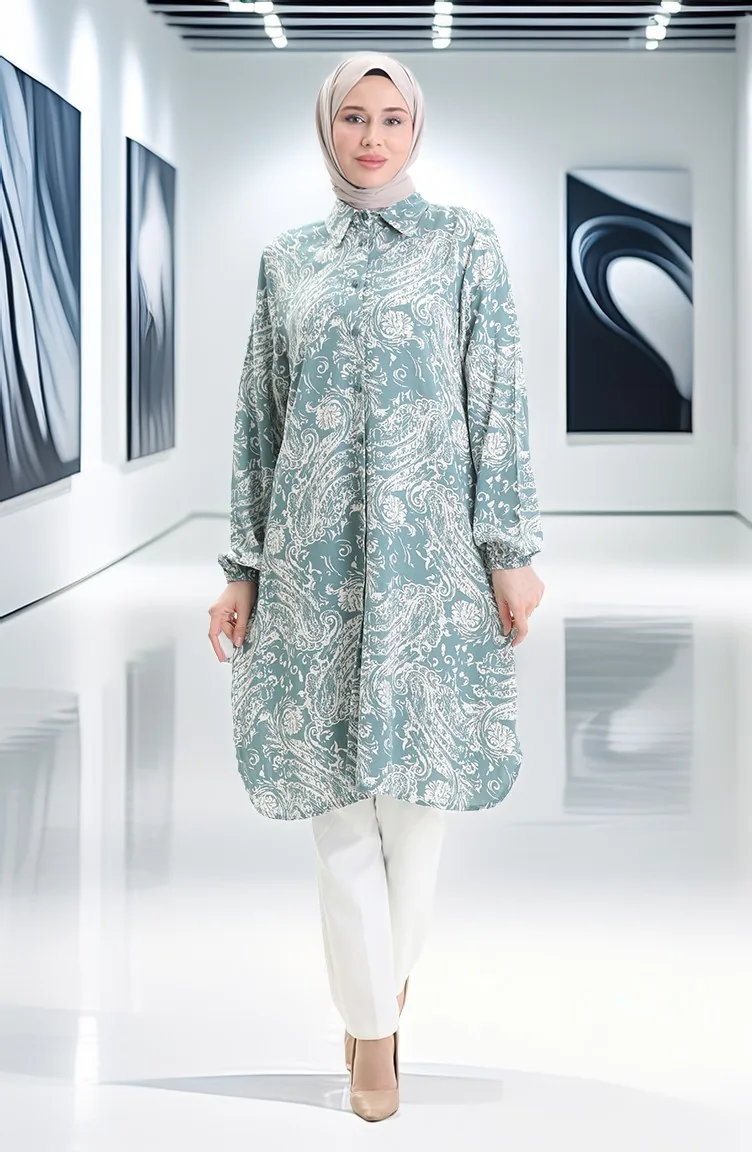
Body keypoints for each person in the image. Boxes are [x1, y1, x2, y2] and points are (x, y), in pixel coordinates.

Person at [207, 52, 545, 1123]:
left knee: (417, 811)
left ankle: (376, 987)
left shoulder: (464, 245)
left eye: (392, 118)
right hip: (311, 567)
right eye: (353, 117)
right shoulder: (288, 260)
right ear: (327, 128)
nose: (371, 137)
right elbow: (258, 417)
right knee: (337, 812)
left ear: (415, 130)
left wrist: (507, 548)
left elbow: (496, 398)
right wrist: (242, 569)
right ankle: (372, 1033)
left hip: (429, 568)